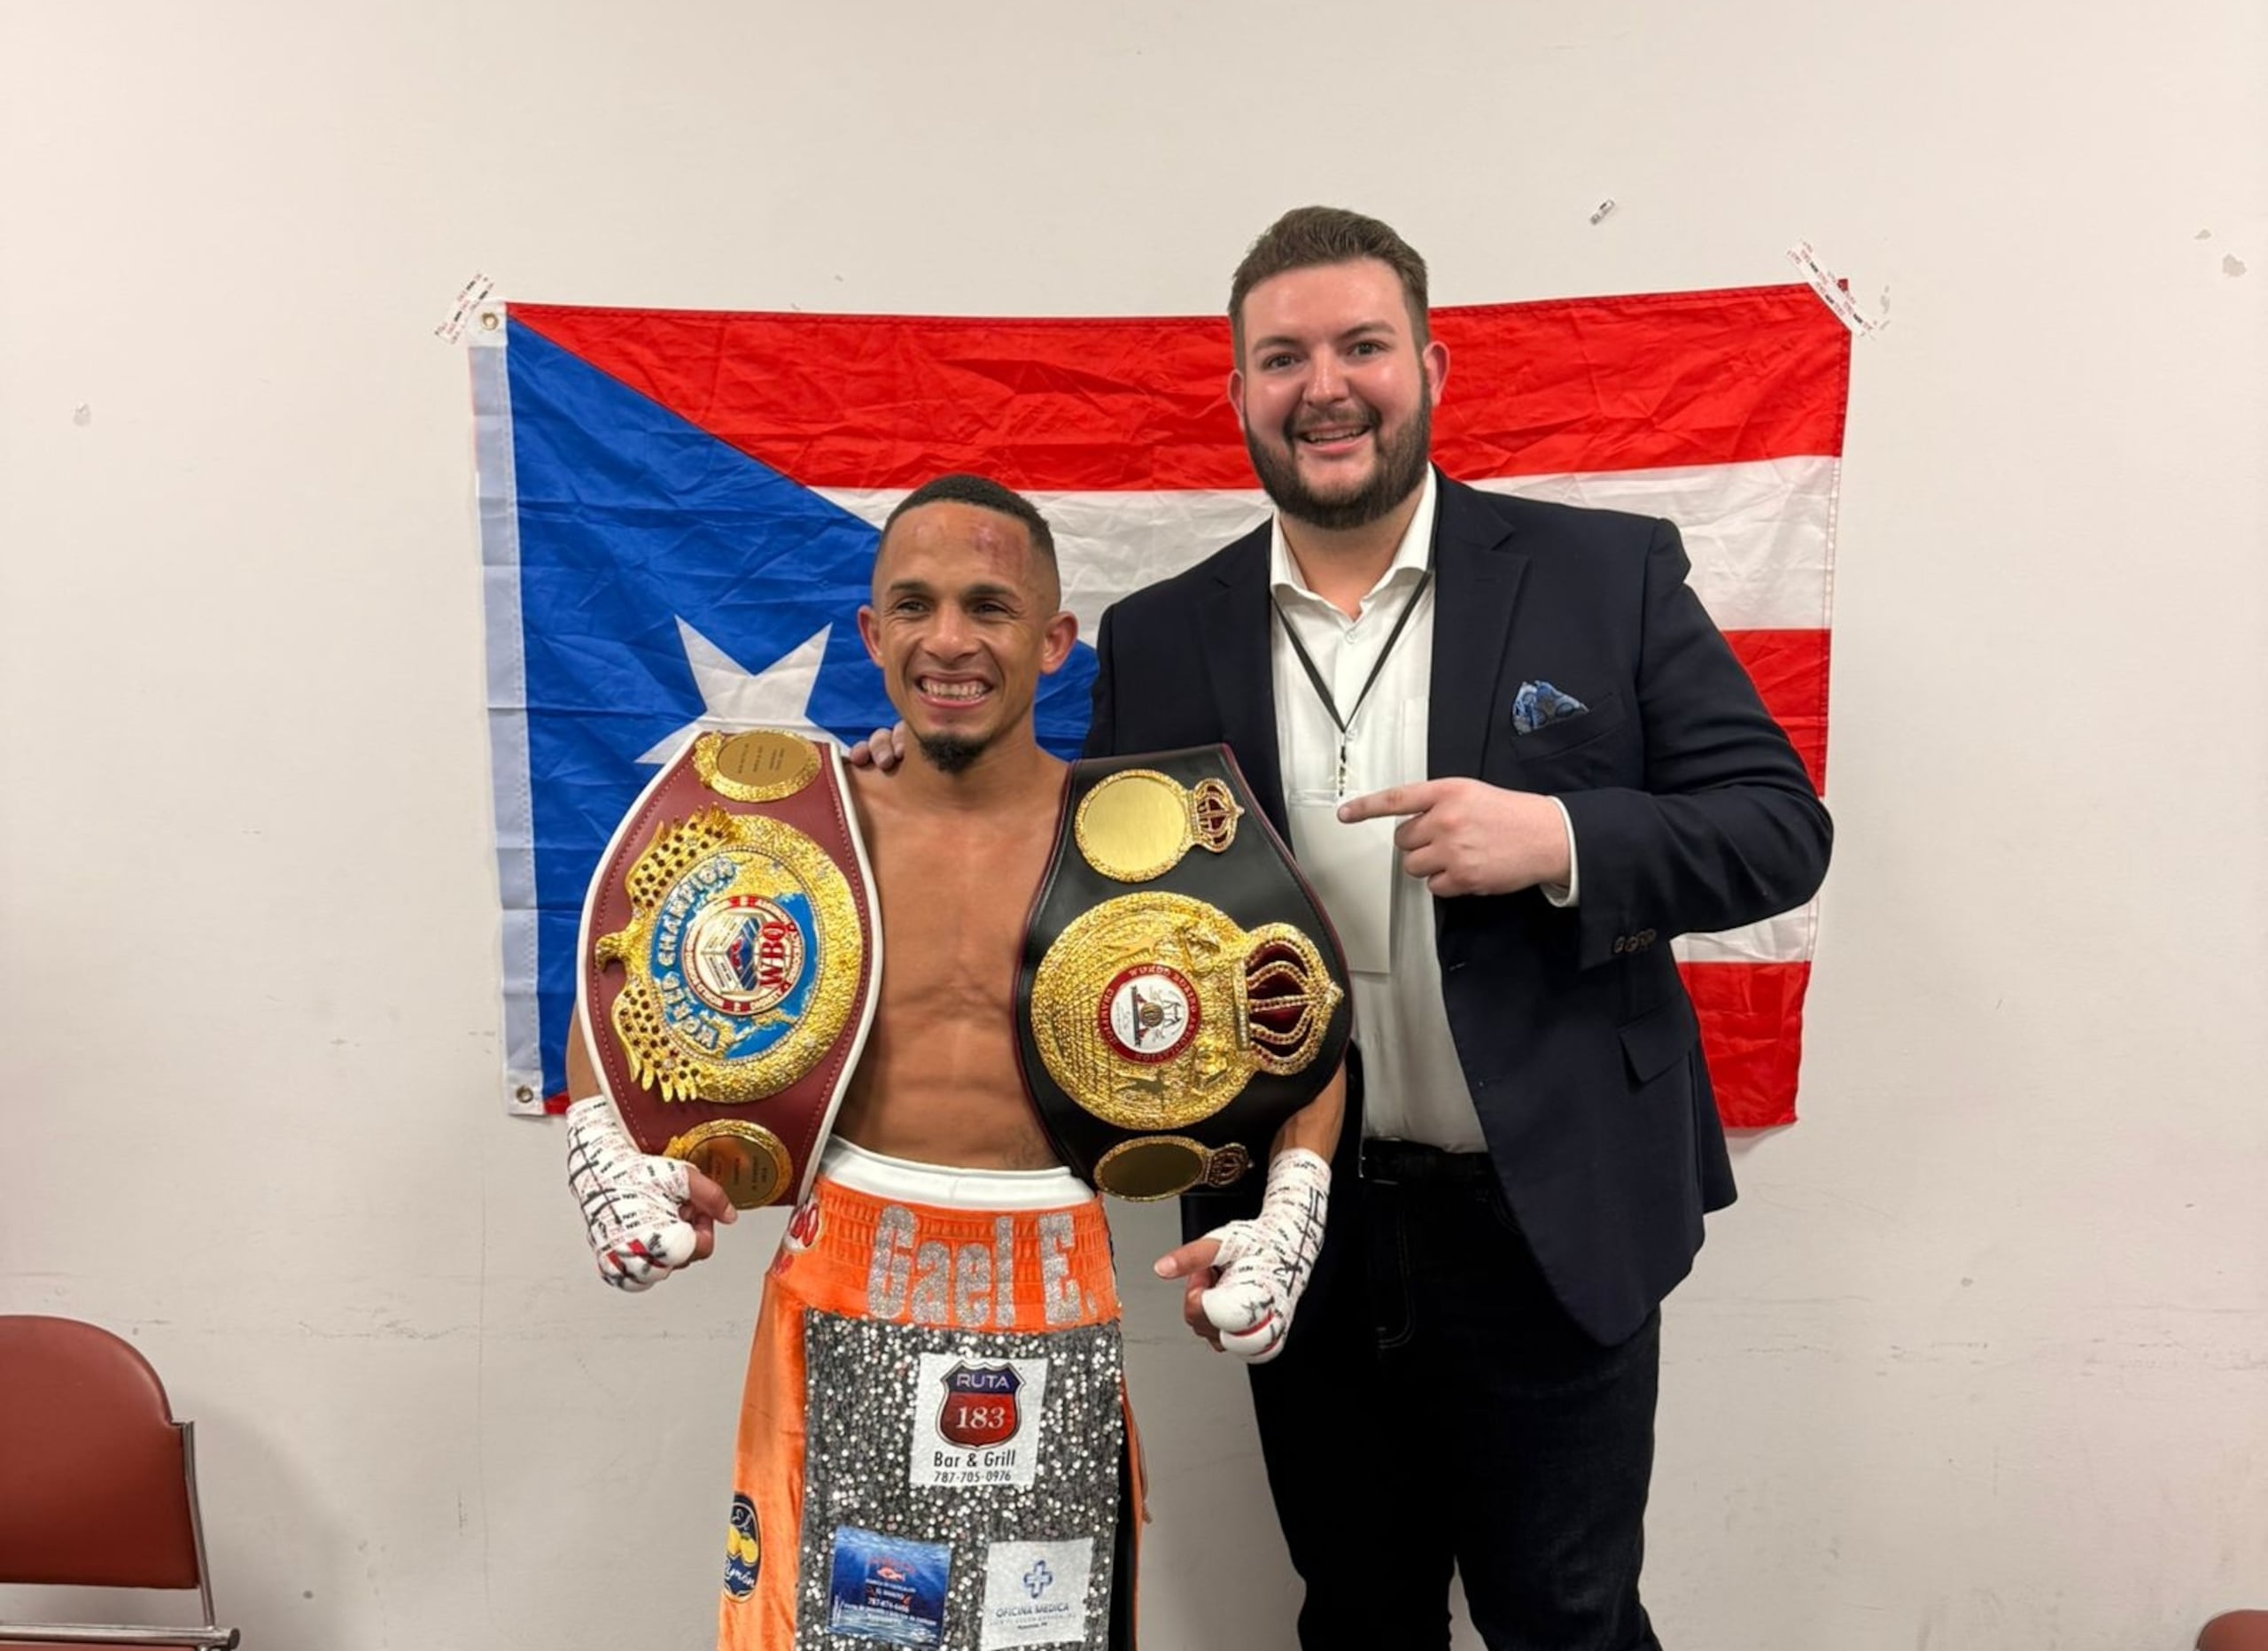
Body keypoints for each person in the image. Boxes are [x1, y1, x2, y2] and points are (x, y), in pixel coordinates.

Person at [1085, 208, 1835, 1649]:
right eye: (1284, 356)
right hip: (1298, 1217)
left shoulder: (1602, 575)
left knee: (1564, 1614)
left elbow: (1776, 826)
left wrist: (1558, 837)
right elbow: (1107, 925)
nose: (1327, 384)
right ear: (1236, 393)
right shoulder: (1159, 635)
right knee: (1358, 1613)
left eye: (1363, 345)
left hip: (1546, 1208)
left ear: (1429, 365)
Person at [560, 473, 1345, 1651]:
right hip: (844, 1279)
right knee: (816, 1632)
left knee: (1050, 1630)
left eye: (989, 604)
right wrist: (602, 1161)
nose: (950, 639)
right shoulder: (801, 827)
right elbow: (618, 989)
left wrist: (1292, 1218)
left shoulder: (1143, 839)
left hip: (1053, 1290)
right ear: (872, 634)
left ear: (1053, 637)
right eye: (914, 605)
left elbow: (1303, 1020)